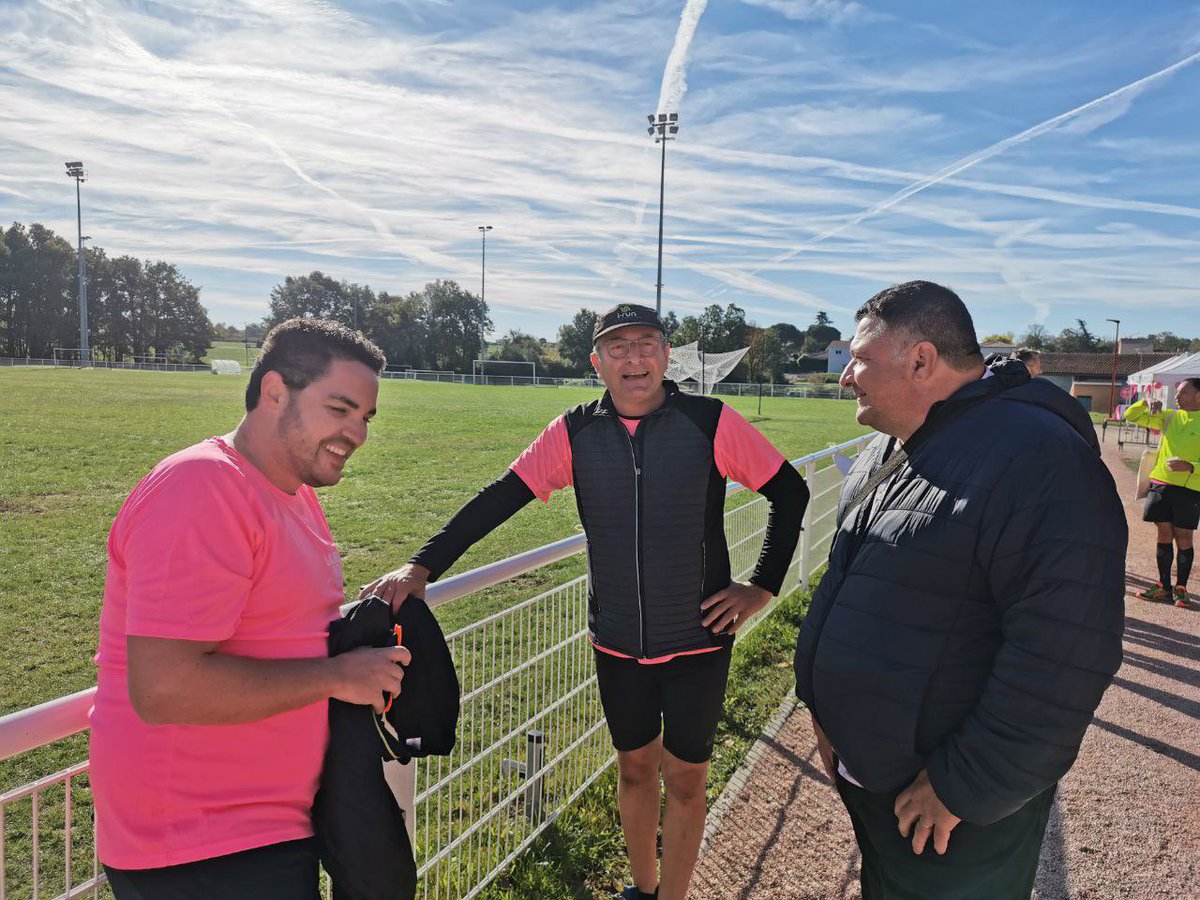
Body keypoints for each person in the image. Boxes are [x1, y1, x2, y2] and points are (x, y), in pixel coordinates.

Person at [361, 303, 809, 900]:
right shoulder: (573, 433)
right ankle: (643, 889)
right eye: (618, 348)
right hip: (617, 641)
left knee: (686, 780)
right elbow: (500, 498)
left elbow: (790, 490)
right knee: (634, 768)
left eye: (646, 343)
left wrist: (762, 585)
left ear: (666, 354)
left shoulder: (710, 422)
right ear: (597, 362)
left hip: (699, 639)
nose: (634, 358)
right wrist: (422, 565)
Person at [793, 281, 1126, 900]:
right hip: (877, 779)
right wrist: (826, 710)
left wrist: (963, 785)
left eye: (861, 359)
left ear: (921, 360)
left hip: (951, 810)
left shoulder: (1039, 459)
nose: (846, 377)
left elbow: (1066, 655)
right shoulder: (890, 446)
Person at [90, 319, 410, 900]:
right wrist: (338, 677)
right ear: (274, 392)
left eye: (365, 417)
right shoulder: (203, 487)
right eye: (340, 408)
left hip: (264, 828)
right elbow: (163, 689)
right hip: (198, 844)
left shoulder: (294, 492)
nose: (357, 433)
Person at [1124, 377, 1200, 608]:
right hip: (1161, 484)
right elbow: (1131, 416)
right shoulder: (1169, 416)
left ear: (1199, 395)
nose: (1177, 397)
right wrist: (1146, 403)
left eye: (1183, 393)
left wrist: (1191, 466)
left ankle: (1181, 589)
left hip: (1190, 488)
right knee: (1164, 534)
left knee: (1184, 537)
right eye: (1177, 392)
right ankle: (1163, 586)